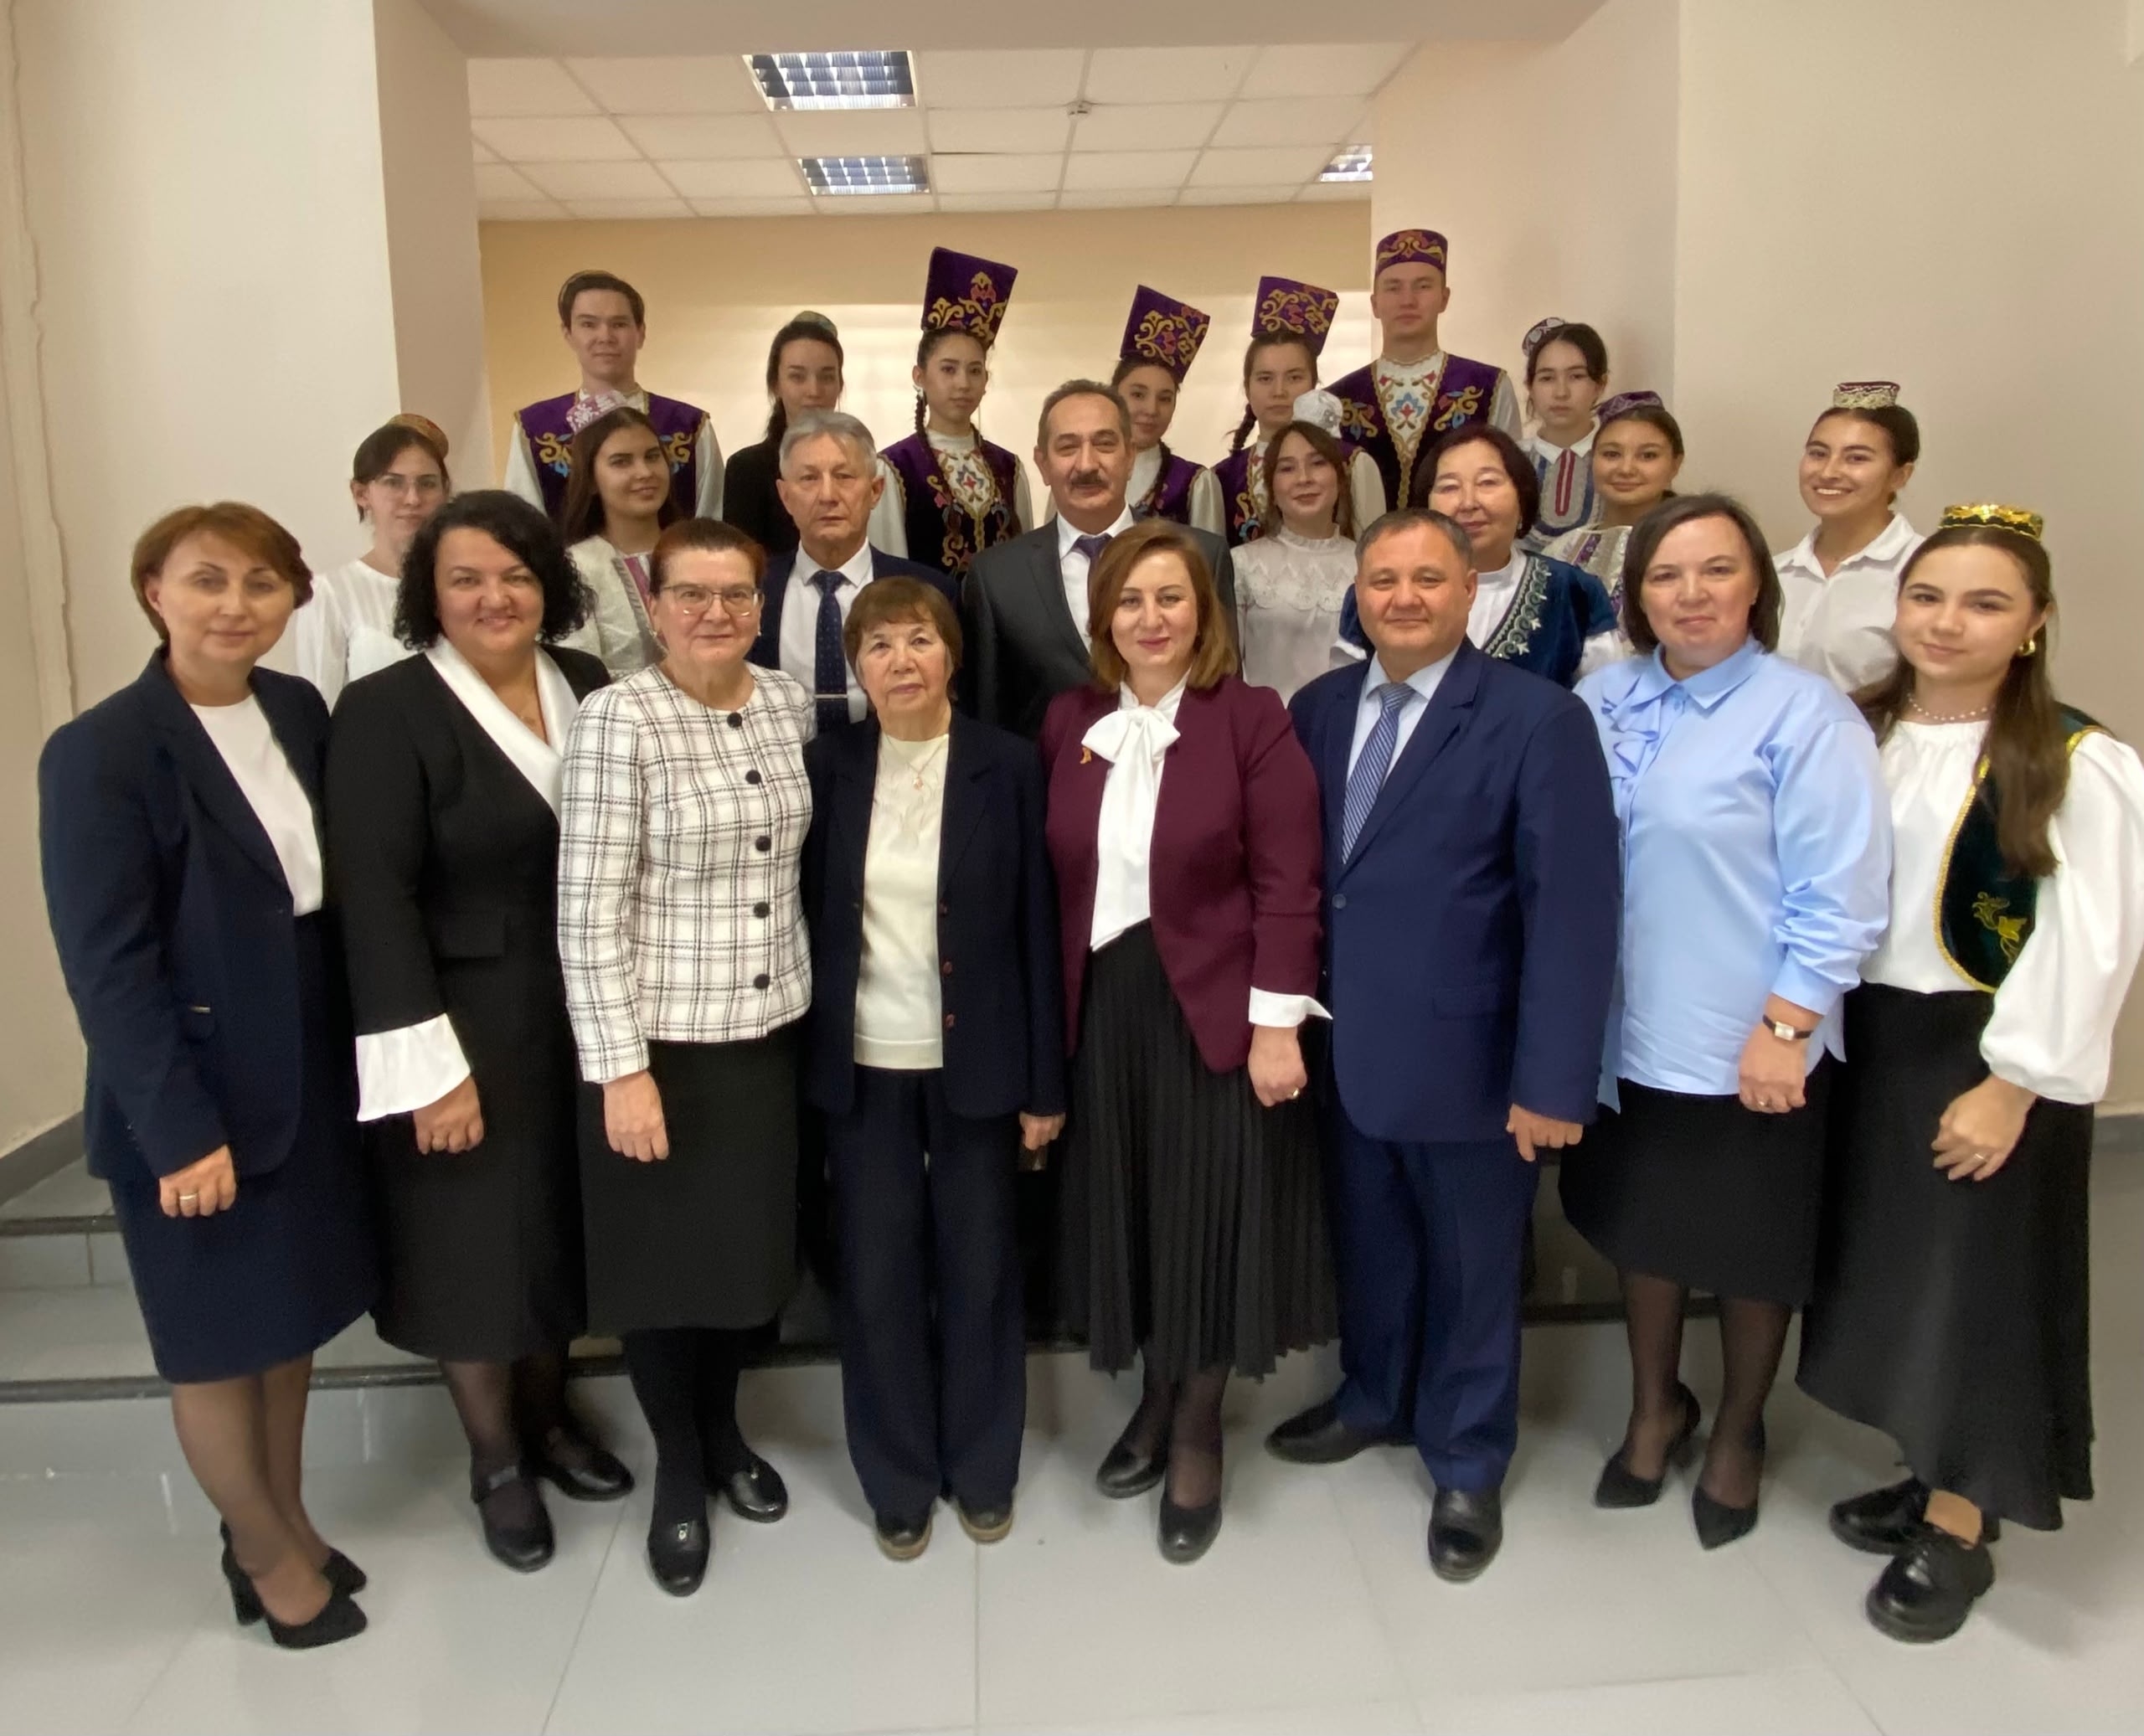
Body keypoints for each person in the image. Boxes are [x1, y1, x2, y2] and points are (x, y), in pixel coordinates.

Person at [1799, 505, 2144, 1642]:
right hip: (1871, 1038)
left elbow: (2090, 941)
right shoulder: (1861, 728)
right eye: (1929, 597)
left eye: (1985, 603)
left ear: (2033, 623)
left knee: (1979, 1284)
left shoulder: (2074, 761)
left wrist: (2015, 1082)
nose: (1948, 622)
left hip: (1982, 1051)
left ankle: (1961, 1520)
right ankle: (1925, 1466)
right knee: (1899, 1272)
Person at [39, 505, 377, 1648]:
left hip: (305, 1072)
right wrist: (179, 1131)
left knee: (287, 1328)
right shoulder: (101, 750)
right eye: (207, 580)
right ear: (155, 591)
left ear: (292, 600)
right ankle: (264, 1556)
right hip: (191, 1094)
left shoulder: (296, 709)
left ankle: (285, 1518)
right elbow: (108, 966)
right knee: (215, 1346)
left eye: (262, 583)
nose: (236, 604)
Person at [1268, 507, 1619, 1584]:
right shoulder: (1318, 709)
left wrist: (1552, 1079)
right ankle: (1375, 1397)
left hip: (1474, 1061)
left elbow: (1572, 913)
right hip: (1345, 1052)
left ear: (1470, 590)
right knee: (1371, 1246)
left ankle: (1467, 1459)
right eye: (1382, 580)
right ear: (1357, 595)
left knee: (1472, 1271)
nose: (1403, 598)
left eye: (1428, 578)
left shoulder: (1537, 718)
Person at [1562, 493, 1891, 1550]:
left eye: (1715, 571)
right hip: (1623, 1034)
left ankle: (1741, 1427)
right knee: (1642, 1231)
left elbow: (1841, 893)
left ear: (1757, 587)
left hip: (1749, 1036)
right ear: (1636, 594)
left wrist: (1787, 1026)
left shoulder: (1806, 715)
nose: (1690, 594)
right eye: (1665, 575)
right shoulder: (1600, 697)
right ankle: (1654, 1408)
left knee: (1753, 1249)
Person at [326, 491, 633, 1576]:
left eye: (514, 574)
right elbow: (375, 898)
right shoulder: (386, 708)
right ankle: (496, 1457)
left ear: (549, 583)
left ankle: (551, 1420)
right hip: (464, 1027)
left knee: (555, 1225)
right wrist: (428, 1071)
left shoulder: (588, 683)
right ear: (429, 593)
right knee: (470, 1243)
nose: (494, 597)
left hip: (581, 1014)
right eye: (465, 578)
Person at [1041, 519, 1334, 1564]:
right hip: (1105, 1012)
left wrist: (1276, 1023)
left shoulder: (1250, 717)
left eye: (1170, 597)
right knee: (1139, 1214)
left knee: (1206, 1219)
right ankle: (1156, 1397)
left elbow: (1289, 883)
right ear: (1103, 619)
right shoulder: (1070, 719)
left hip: (1213, 1010)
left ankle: (1198, 1429)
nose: (1150, 617)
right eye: (1130, 600)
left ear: (1203, 612)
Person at [558, 517, 808, 1598]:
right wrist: (621, 1069)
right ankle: (678, 1465)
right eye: (692, 595)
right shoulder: (616, 719)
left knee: (741, 1271)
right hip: (660, 1049)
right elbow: (587, 911)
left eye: (736, 594)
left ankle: (725, 1432)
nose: (716, 613)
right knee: (661, 1279)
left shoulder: (785, 702)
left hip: (767, 1040)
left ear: (760, 605)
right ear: (654, 608)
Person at [800, 578, 1065, 1560]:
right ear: (855, 668)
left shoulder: (1009, 764)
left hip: (980, 1064)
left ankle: (984, 1469)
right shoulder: (826, 765)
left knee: (982, 1270)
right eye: (878, 646)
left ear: (952, 654)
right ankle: (898, 1480)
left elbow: (1038, 928)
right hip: (861, 1066)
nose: (900, 661)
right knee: (875, 1278)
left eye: (919, 639)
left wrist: (1044, 1085)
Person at [964, 379, 1237, 741]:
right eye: (1067, 447)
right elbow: (987, 720)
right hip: (1046, 774)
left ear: (1130, 456)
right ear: (1042, 464)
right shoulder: (996, 578)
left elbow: (1225, 690)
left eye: (1105, 444)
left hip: (1181, 767)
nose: (1087, 464)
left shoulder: (1202, 556)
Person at [1336, 426, 1620, 686]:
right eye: (1449, 487)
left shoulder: (1573, 592)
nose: (1468, 503)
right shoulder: (1379, 594)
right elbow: (1347, 699)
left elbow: (1607, 705)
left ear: (1522, 496)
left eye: (1487, 483)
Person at [750, 410, 956, 736]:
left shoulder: (931, 591)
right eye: (809, 478)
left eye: (844, 476)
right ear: (785, 496)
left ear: (875, 491)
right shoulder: (752, 589)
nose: (828, 496)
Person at [504, 269, 720, 525]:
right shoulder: (535, 428)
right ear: (568, 334)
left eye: (619, 324)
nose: (605, 337)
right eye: (589, 324)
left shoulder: (688, 426)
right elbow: (520, 530)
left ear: (641, 333)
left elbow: (714, 525)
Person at [1328, 229, 1523, 513]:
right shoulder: (1337, 399)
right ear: (1375, 304)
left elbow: (1510, 489)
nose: (1408, 300)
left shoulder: (1489, 387)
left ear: (1444, 298)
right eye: (1394, 288)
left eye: (1423, 286)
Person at [879, 247, 1033, 580]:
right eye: (948, 369)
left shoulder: (1010, 469)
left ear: (986, 380)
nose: (963, 383)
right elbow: (891, 579)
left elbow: (1026, 568)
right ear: (919, 376)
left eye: (974, 371)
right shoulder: (895, 468)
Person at [1212, 277, 1385, 547]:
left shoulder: (1353, 464)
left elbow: (1377, 555)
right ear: (1247, 387)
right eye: (1265, 378)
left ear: (1314, 384)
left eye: (1294, 377)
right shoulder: (1222, 479)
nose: (1279, 391)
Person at [1776, 381, 1924, 692]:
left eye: (1856, 458)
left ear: (1900, 475)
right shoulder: (1774, 572)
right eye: (1818, 454)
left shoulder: (1922, 572)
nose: (1828, 472)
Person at [720, 312, 903, 559]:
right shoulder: (747, 469)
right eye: (797, 377)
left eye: (827, 377)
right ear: (776, 384)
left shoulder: (865, 463)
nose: (814, 390)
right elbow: (741, 564)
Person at [294, 420, 450, 708]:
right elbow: (319, 708)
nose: (413, 499)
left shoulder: (463, 586)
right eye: (394, 483)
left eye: (427, 483)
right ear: (361, 494)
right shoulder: (331, 593)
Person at [1233, 397, 1358, 700]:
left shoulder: (1367, 563)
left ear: (1340, 480)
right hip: (1267, 725)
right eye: (1287, 469)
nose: (1304, 479)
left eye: (1318, 464)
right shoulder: (1241, 565)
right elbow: (1228, 670)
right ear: (1272, 489)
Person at [559, 404, 678, 676]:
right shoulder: (575, 568)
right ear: (591, 479)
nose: (644, 472)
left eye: (652, 457)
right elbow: (577, 675)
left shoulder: (701, 552)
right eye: (621, 462)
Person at [1543, 393, 1684, 600]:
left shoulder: (1695, 545)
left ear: (1675, 464)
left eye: (1648, 455)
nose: (1626, 469)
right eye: (1611, 454)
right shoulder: (1563, 552)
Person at [1110, 285, 1224, 535]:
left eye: (1164, 398)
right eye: (1138, 395)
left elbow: (1210, 558)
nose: (1151, 409)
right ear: (1114, 396)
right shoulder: (1084, 471)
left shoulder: (1194, 484)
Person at [1519, 318, 1608, 550]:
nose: (1561, 392)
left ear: (1600, 385)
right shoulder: (1508, 461)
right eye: (1547, 378)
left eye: (1576, 376)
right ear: (1530, 386)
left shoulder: (1617, 460)